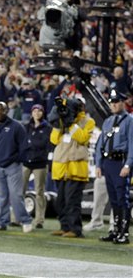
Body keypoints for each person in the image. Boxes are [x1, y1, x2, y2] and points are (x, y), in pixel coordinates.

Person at [0, 101, 33, 233]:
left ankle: (25, 220)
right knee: (1, 196)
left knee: (16, 195)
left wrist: (17, 160)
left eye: (2, 110)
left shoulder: (16, 126)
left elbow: (24, 146)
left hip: (13, 166)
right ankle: (2, 222)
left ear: (7, 111)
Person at [49, 97, 95, 238]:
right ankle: (65, 227)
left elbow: (82, 138)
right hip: (61, 167)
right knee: (61, 201)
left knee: (72, 201)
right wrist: (59, 122)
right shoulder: (62, 120)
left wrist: (71, 124)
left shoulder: (88, 122)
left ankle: (75, 229)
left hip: (76, 168)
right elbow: (54, 140)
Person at [94, 90, 133, 244]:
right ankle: (115, 230)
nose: (114, 105)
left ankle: (124, 233)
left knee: (122, 198)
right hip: (108, 163)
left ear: (123, 103)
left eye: (116, 102)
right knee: (113, 199)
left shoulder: (129, 121)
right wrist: (98, 164)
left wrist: (128, 164)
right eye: (111, 102)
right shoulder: (108, 121)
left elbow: (132, 144)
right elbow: (100, 145)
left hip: (120, 162)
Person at [22, 104, 52, 229]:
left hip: (40, 162)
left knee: (40, 191)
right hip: (26, 161)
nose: (37, 113)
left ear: (43, 113)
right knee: (20, 191)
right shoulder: (26, 126)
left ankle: (39, 220)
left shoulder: (47, 127)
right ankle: (18, 217)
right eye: (35, 110)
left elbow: (44, 143)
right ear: (31, 112)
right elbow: (23, 142)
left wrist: (31, 143)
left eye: (39, 111)